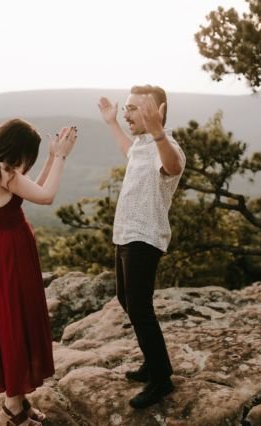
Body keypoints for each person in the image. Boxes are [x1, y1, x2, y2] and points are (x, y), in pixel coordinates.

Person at [0, 118, 77, 426]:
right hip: (13, 252)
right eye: (29, 155)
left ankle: (17, 399)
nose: (26, 162)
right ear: (17, 148)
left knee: (15, 316)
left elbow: (34, 189)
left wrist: (53, 157)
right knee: (17, 319)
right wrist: (63, 157)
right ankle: (13, 407)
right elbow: (47, 196)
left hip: (6, 250)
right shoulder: (2, 171)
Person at [97, 85, 185, 409]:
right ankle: (153, 361)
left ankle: (161, 378)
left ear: (156, 111)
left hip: (145, 237)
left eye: (134, 108)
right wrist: (111, 123)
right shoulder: (140, 145)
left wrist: (160, 134)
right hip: (126, 234)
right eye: (127, 107)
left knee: (139, 306)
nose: (126, 112)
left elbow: (174, 166)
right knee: (127, 299)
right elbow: (128, 150)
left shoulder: (166, 145)